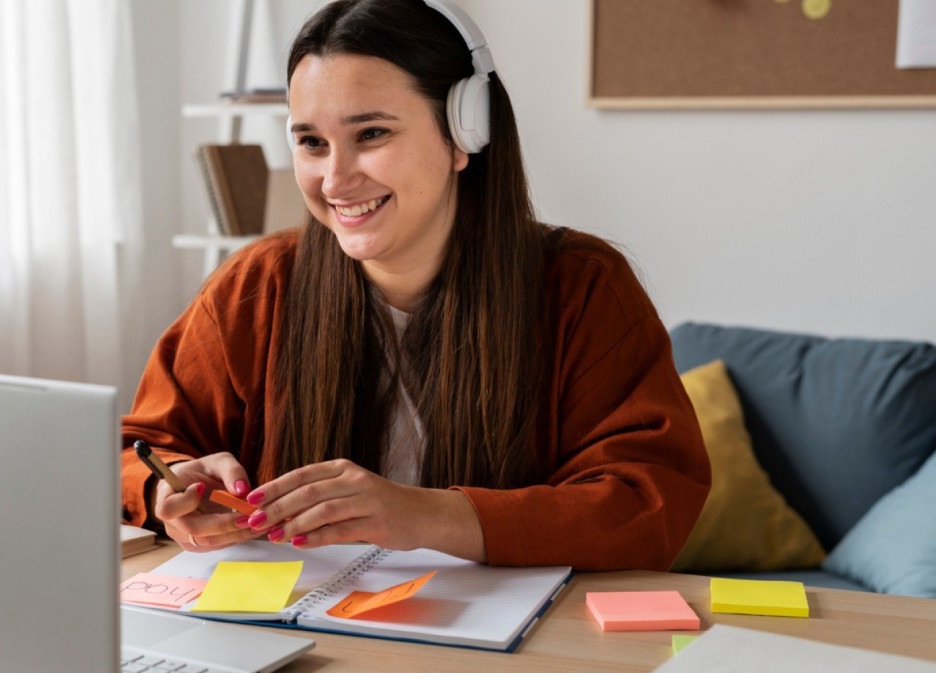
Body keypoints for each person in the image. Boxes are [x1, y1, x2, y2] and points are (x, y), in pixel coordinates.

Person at [121, 0, 710, 570]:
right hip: (305, 642)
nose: (335, 178)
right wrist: (162, 489)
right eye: (311, 142)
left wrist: (428, 515)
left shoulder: (583, 286)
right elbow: (133, 448)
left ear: (463, 133)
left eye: (372, 134)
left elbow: (650, 499)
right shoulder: (256, 285)